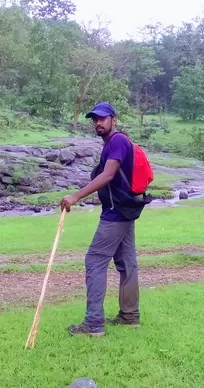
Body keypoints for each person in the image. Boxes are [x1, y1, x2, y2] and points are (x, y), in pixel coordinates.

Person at [60, 102, 149, 337]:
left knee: (95, 260)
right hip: (124, 211)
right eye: (94, 120)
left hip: (116, 213)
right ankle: (130, 316)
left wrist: (76, 196)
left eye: (102, 118)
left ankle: (93, 324)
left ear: (113, 119)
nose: (98, 123)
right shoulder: (112, 143)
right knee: (126, 263)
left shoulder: (117, 141)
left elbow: (108, 175)